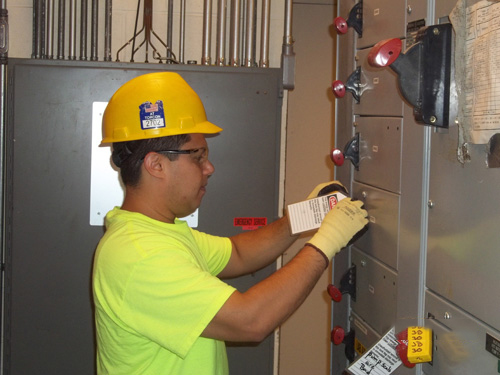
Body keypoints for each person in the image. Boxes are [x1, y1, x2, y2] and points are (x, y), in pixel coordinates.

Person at [92, 71, 368, 375]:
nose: (209, 168)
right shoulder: (141, 256)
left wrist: (300, 220)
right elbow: (250, 321)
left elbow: (236, 254)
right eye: (197, 156)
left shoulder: (155, 233)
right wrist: (326, 242)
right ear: (156, 164)